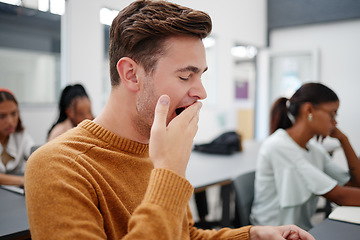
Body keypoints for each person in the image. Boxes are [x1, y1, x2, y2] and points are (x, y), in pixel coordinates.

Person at [25, 1, 315, 239]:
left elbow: (183, 234)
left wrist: (252, 235)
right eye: (185, 76)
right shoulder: (56, 166)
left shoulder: (159, 148)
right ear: (131, 74)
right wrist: (169, 173)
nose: (201, 92)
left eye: (201, 75)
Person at [251, 82, 360, 230]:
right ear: (309, 109)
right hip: (273, 233)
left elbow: (354, 185)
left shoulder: (314, 149)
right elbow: (340, 196)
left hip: (299, 230)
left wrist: (344, 140)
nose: (335, 122)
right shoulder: (279, 146)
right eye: (331, 113)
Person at [0, 88, 34, 186]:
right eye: (2, 116)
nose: (10, 121)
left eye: (13, 113)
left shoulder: (21, 135)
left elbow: (34, 153)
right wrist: (23, 181)